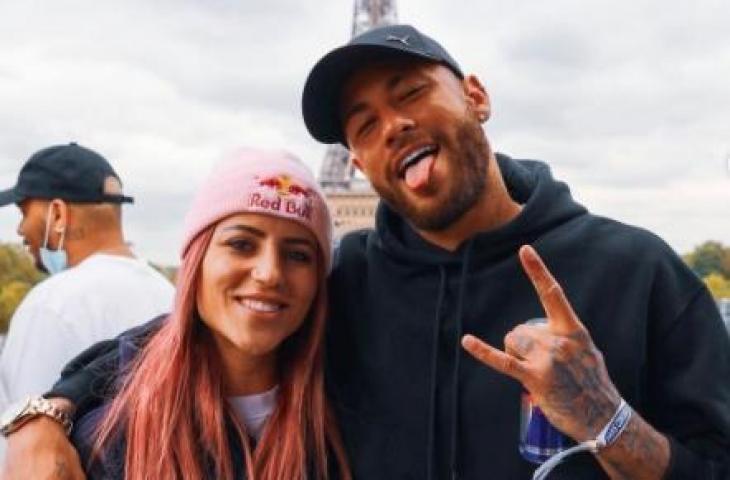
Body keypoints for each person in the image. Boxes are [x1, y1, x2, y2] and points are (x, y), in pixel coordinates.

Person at [4, 24, 730, 479]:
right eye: (362, 124)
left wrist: (609, 422)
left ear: (476, 94)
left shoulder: (638, 273)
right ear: (358, 159)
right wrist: (48, 410)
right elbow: (176, 334)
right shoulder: (345, 278)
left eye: (411, 91)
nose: (392, 125)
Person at [5, 148, 351, 479]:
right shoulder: (107, 439)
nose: (269, 272)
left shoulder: (352, 420)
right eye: (241, 244)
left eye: (298, 255)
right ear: (195, 263)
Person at [0, 143, 174, 460]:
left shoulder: (52, 305)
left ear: (58, 213)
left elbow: (24, 452)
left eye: (24, 211)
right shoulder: (170, 295)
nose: (20, 228)